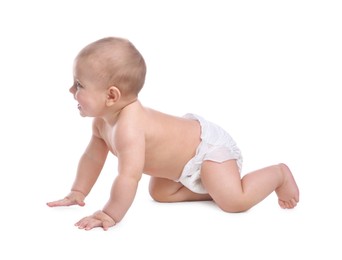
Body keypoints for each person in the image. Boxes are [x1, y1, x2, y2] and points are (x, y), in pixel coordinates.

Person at [47, 37, 300, 231]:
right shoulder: (102, 123)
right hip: (181, 169)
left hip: (206, 151)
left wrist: (110, 214)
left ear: (111, 95)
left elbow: (128, 177)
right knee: (160, 193)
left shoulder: (129, 128)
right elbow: (93, 158)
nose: (71, 90)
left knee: (233, 202)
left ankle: (277, 174)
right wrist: (78, 191)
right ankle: (214, 188)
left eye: (79, 84)